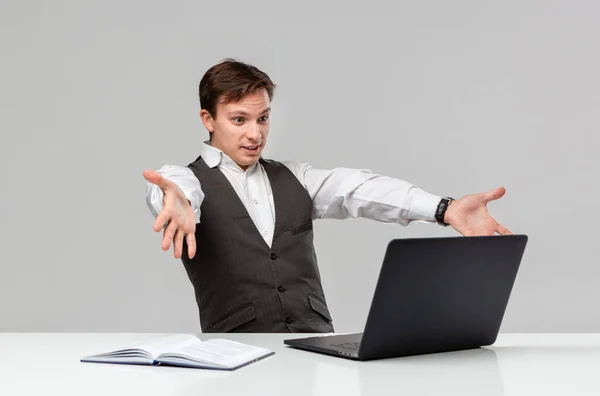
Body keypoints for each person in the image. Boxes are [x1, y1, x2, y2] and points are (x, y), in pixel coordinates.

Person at [143, 58, 512, 334]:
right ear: (208, 119)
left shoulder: (295, 177)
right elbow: (172, 190)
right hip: (234, 351)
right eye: (239, 120)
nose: (255, 134)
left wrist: (445, 209)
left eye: (264, 118)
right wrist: (178, 200)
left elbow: (360, 188)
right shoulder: (184, 180)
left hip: (313, 343)